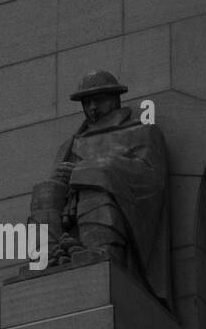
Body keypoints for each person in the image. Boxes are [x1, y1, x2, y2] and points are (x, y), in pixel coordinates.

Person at [26, 70, 172, 306]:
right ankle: (48, 255)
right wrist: (62, 178)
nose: (92, 107)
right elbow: (59, 183)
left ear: (115, 98)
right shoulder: (71, 143)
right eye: (87, 102)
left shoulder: (142, 132)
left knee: (94, 175)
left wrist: (90, 169)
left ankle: (101, 249)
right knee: (45, 190)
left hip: (116, 201)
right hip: (72, 206)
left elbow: (151, 177)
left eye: (98, 99)